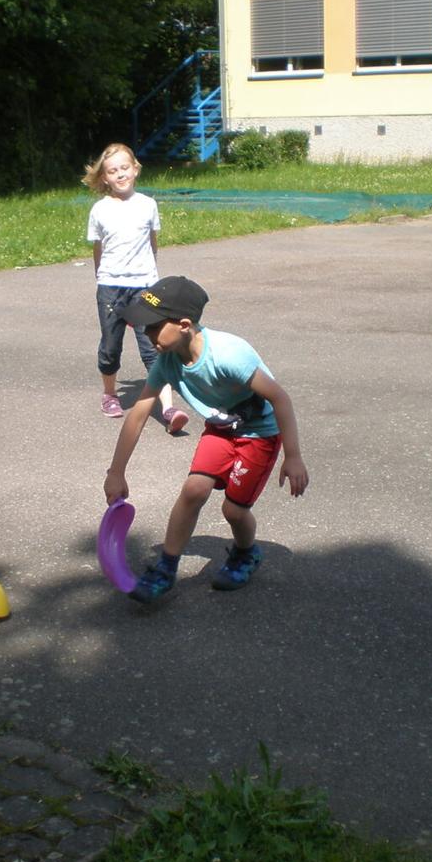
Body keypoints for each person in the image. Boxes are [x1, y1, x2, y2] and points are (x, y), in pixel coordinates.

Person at [103, 276, 309, 602]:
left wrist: (293, 456)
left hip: (259, 434)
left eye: (154, 327)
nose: (146, 333)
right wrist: (116, 471)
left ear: (184, 325)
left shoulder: (229, 355)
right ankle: (166, 569)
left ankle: (245, 553)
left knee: (233, 511)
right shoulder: (167, 363)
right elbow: (138, 414)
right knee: (194, 489)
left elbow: (280, 398)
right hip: (223, 430)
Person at [82, 142, 188, 432]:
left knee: (155, 346)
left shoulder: (148, 205)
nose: (120, 174)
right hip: (111, 286)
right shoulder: (100, 209)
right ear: (104, 178)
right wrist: (100, 278)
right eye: (113, 171)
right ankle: (109, 394)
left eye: (124, 168)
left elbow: (152, 244)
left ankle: (168, 408)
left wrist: (150, 277)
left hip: (144, 286)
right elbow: (98, 248)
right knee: (110, 346)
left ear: (135, 169)